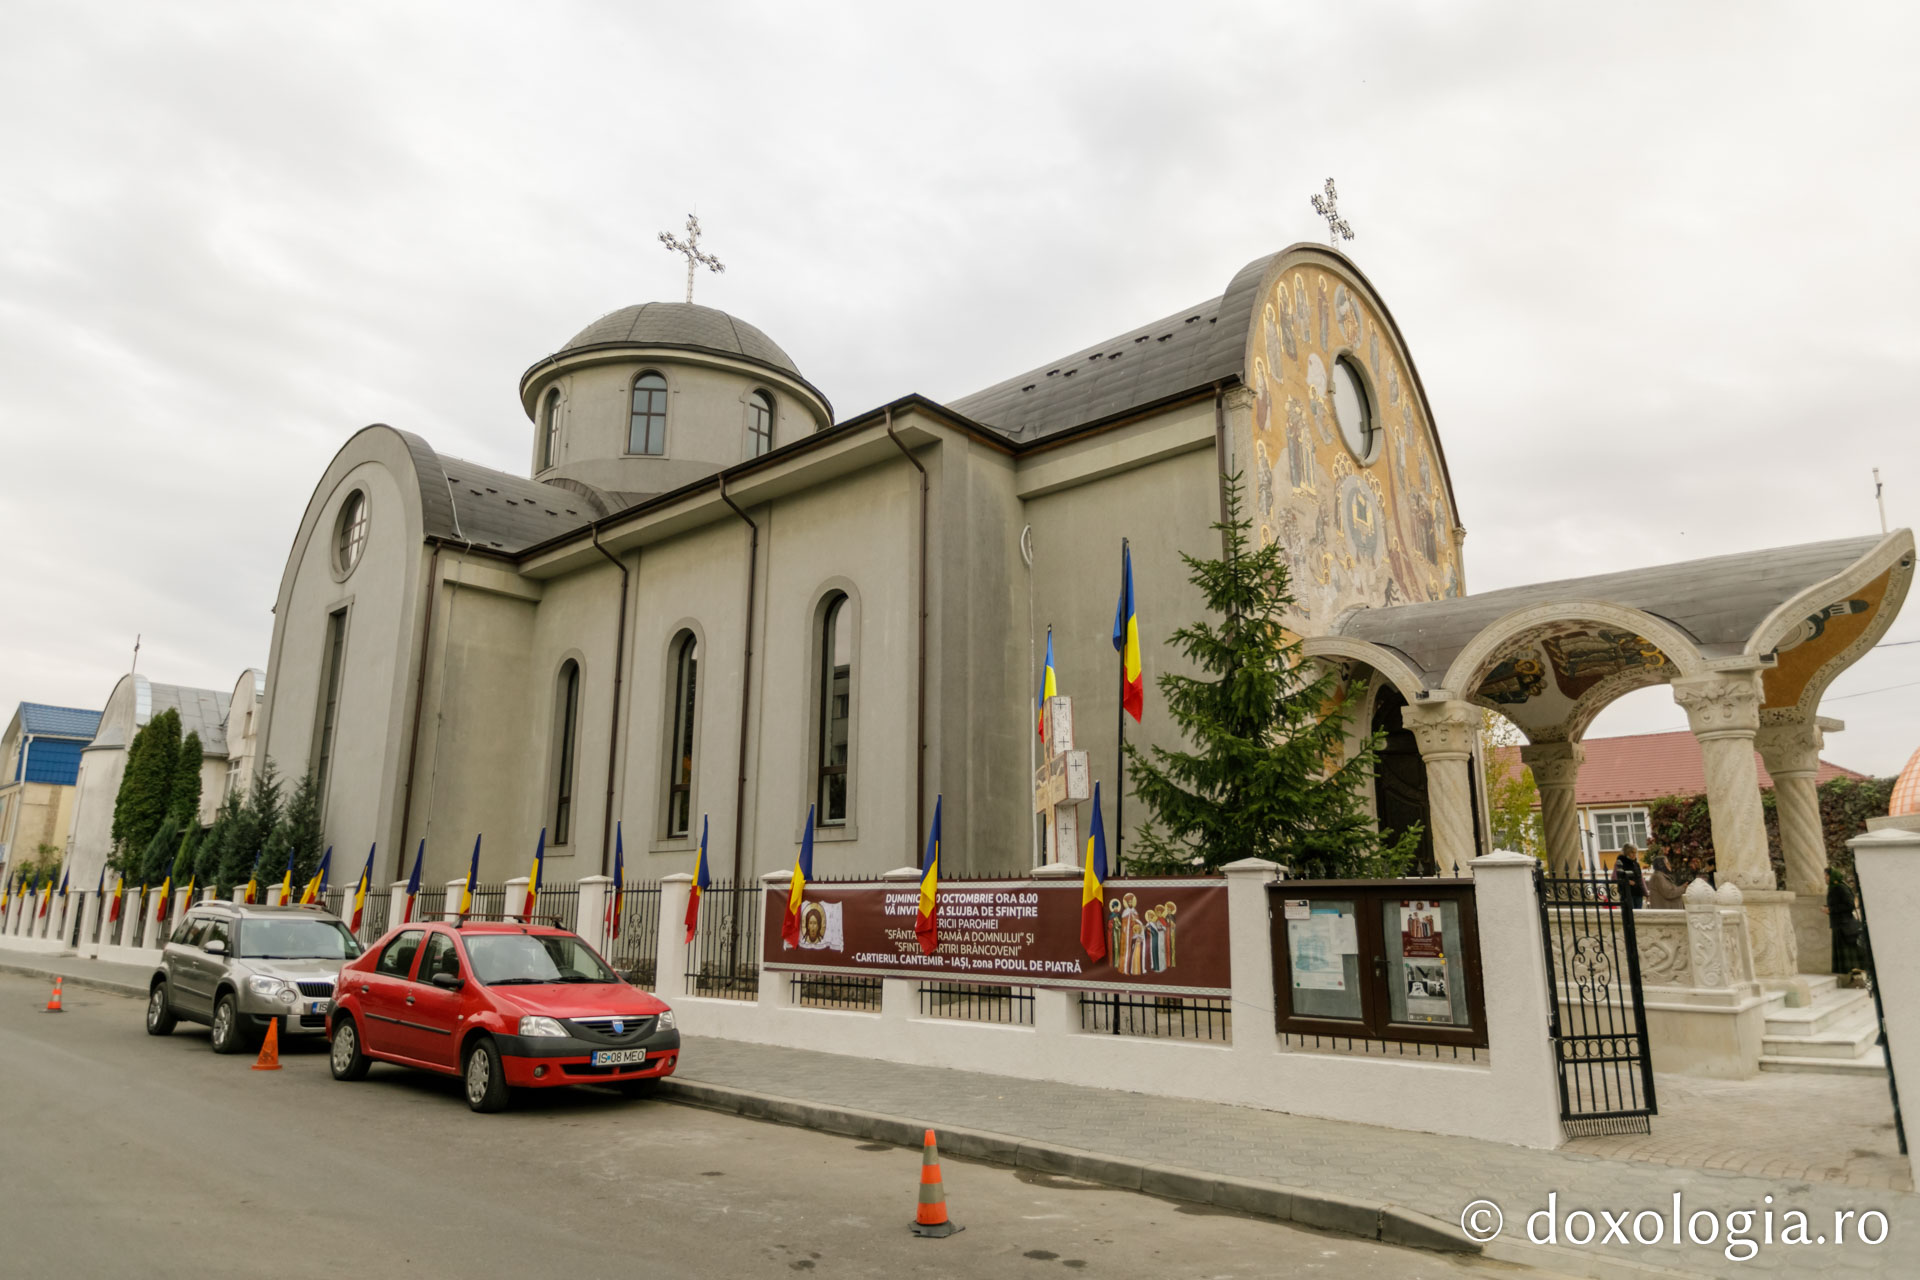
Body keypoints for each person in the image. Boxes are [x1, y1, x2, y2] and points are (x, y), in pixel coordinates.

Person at [1825, 868, 1866, 977]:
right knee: (1844, 953)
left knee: (1849, 952)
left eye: (1826, 876)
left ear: (1832, 876)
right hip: (1839, 924)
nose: (1825, 878)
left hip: (1844, 925)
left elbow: (1850, 905)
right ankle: (1849, 975)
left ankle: (1855, 975)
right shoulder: (1834, 888)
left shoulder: (1840, 888)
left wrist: (1831, 910)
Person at [1612, 843, 1647, 911]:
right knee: (1629, 914)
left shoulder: (1636, 864)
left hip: (1638, 893)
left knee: (1639, 914)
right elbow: (1614, 877)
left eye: (1635, 852)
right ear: (1626, 852)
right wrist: (1627, 881)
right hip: (1627, 893)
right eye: (1632, 852)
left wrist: (1645, 892)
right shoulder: (1620, 862)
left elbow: (1641, 879)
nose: (1634, 854)